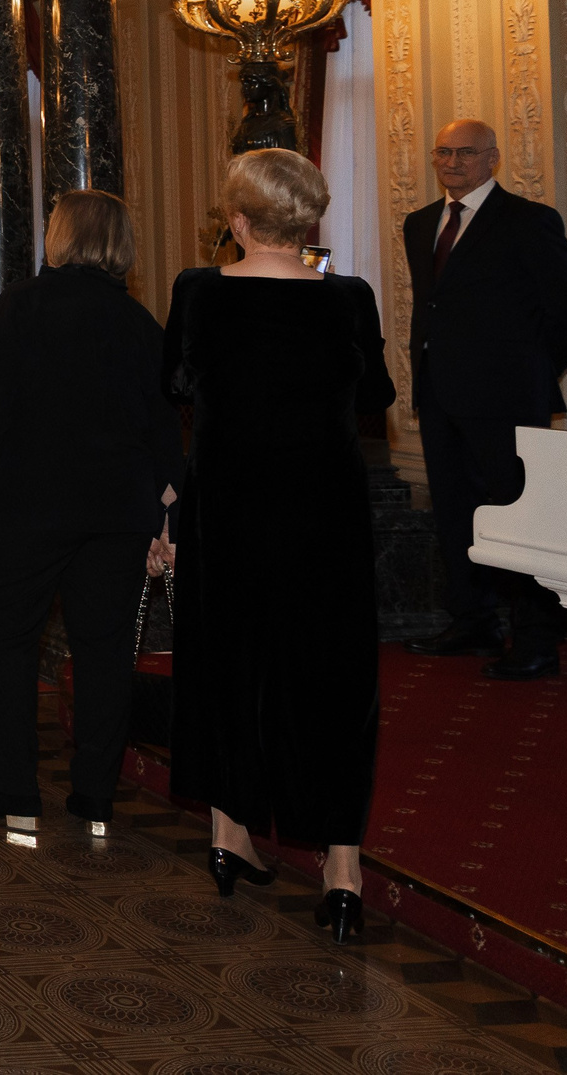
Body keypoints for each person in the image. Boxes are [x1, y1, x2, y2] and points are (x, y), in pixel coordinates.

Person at [164, 149, 396, 945]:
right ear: (309, 222)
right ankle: (341, 870)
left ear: (236, 220)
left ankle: (230, 834)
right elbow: (375, 400)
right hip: (320, 509)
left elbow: (180, 383)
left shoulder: (197, 293)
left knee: (229, 658)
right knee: (332, 674)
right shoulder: (349, 299)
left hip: (227, 506)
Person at [0, 190, 182, 833]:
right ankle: (94, 796)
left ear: (61, 235)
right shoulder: (141, 323)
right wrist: (167, 521)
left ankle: (15, 791)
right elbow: (165, 433)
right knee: (105, 652)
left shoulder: (23, 304)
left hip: (30, 507)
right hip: (119, 512)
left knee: (5, 639)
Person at [402, 119, 567, 681]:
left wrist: (531, 372)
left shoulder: (529, 221)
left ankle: (535, 637)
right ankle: (473, 621)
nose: (453, 161)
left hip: (510, 400)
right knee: (456, 513)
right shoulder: (420, 224)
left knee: (519, 517)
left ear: (493, 159)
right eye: (443, 151)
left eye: (466, 153)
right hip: (439, 395)